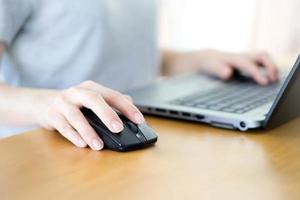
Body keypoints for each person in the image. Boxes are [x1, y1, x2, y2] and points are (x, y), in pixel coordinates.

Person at [0, 0, 278, 151]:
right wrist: (48, 105)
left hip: (139, 130)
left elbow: (126, 52)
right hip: (46, 150)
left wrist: (201, 59)